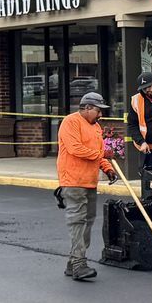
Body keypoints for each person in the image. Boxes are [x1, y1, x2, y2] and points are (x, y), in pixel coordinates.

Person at [57, 91, 107, 280]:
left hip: (90, 180)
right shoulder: (71, 122)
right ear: (86, 108)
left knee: (88, 220)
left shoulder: (96, 127)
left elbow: (99, 151)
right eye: (98, 110)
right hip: (73, 180)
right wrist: (102, 156)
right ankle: (79, 264)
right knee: (77, 220)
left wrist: (107, 168)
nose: (100, 114)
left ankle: (73, 263)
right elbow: (75, 148)